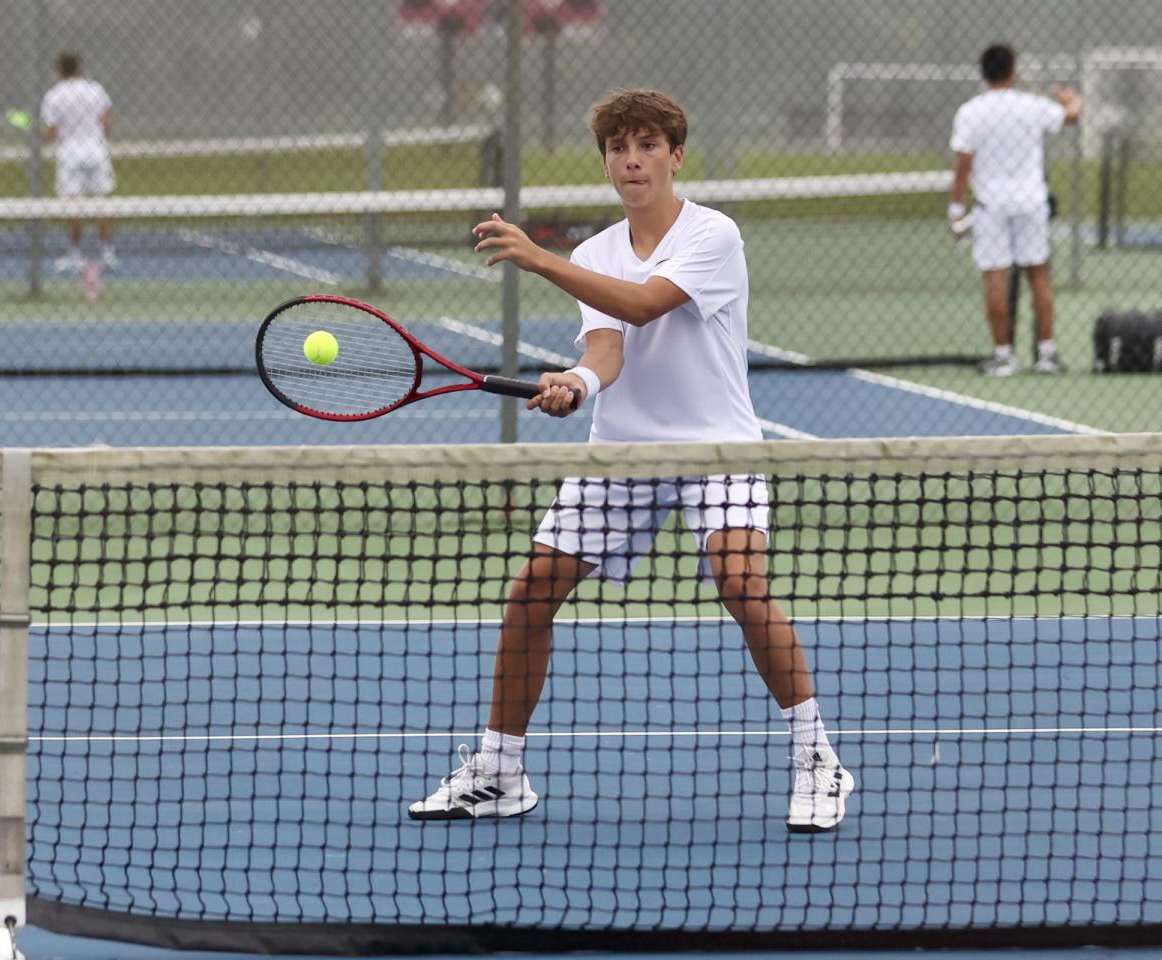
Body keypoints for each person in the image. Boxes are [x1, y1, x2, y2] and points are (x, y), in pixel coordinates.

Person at [408, 89, 854, 833]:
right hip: (624, 451)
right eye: (619, 148)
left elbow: (645, 305)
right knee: (530, 595)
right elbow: (607, 346)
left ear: (676, 156)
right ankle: (500, 768)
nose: (632, 159)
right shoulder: (595, 253)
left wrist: (536, 259)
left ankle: (818, 760)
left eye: (647, 145)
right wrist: (575, 384)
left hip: (719, 448)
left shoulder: (714, 236)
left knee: (741, 584)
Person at [949, 43, 1081, 376]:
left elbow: (963, 164)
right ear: (1013, 71)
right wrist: (1070, 99)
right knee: (1039, 276)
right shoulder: (1031, 106)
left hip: (991, 206)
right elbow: (1072, 116)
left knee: (995, 277)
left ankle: (1003, 356)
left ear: (982, 73)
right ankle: (1047, 355)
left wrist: (955, 208)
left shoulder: (971, 112)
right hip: (1031, 203)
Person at [41, 52, 117, 272]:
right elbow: (107, 123)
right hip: (96, 151)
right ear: (79, 68)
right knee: (102, 203)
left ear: (60, 70)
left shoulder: (54, 96)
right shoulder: (95, 90)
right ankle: (108, 253)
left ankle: (75, 255)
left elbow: (52, 133)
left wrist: (41, 138)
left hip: (69, 156)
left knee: (73, 205)